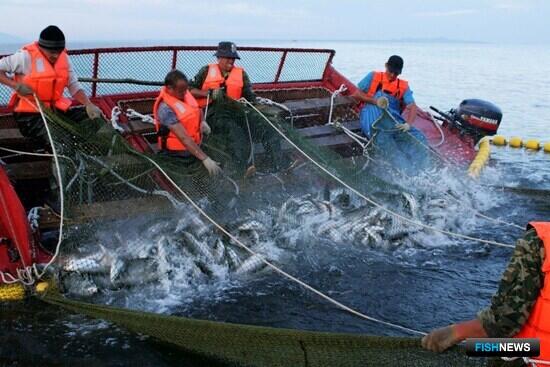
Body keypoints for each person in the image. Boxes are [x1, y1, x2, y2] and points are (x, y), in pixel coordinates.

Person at [422, 222, 550, 365]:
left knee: (479, 347)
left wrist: (456, 332)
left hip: (534, 354)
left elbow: (503, 322)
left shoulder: (539, 241)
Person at [189, 41, 285, 177]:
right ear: (219, 57)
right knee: (236, 134)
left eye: (233, 58)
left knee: (268, 128)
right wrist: (209, 93)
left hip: (237, 113)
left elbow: (250, 97)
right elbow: (189, 89)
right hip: (214, 115)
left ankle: (278, 166)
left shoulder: (241, 74)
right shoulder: (205, 71)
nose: (231, 61)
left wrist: (254, 105)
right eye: (228, 57)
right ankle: (243, 170)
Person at [0, 25, 102, 149]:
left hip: (55, 112)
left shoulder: (64, 58)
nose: (56, 56)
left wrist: (88, 104)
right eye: (52, 53)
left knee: (93, 118)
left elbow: (74, 86)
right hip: (31, 115)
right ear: (41, 48)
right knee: (61, 142)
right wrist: (15, 85)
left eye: (59, 52)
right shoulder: (24, 57)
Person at [153, 69, 221, 177]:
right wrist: (205, 158)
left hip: (194, 148)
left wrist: (202, 121)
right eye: (181, 91)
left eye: (186, 90)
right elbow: (184, 138)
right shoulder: (165, 109)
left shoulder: (184, 95)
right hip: (175, 155)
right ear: (169, 88)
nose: (185, 93)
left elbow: (196, 109)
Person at [351, 55, 418, 137]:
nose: (392, 75)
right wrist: (375, 101)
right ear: (386, 66)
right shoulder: (373, 76)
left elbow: (413, 106)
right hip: (369, 113)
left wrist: (408, 124)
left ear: (400, 72)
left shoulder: (403, 86)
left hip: (390, 120)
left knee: (416, 135)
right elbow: (356, 94)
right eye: (390, 71)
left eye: (396, 73)